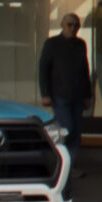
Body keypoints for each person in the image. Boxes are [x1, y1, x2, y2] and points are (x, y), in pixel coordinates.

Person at [37, 11, 93, 179]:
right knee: (66, 128)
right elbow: (43, 69)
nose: (73, 28)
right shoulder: (52, 44)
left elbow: (85, 70)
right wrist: (45, 93)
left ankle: (70, 167)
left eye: (76, 25)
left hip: (77, 95)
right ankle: (60, 163)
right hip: (60, 94)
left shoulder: (80, 44)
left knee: (75, 132)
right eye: (69, 25)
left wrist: (87, 95)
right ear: (62, 26)